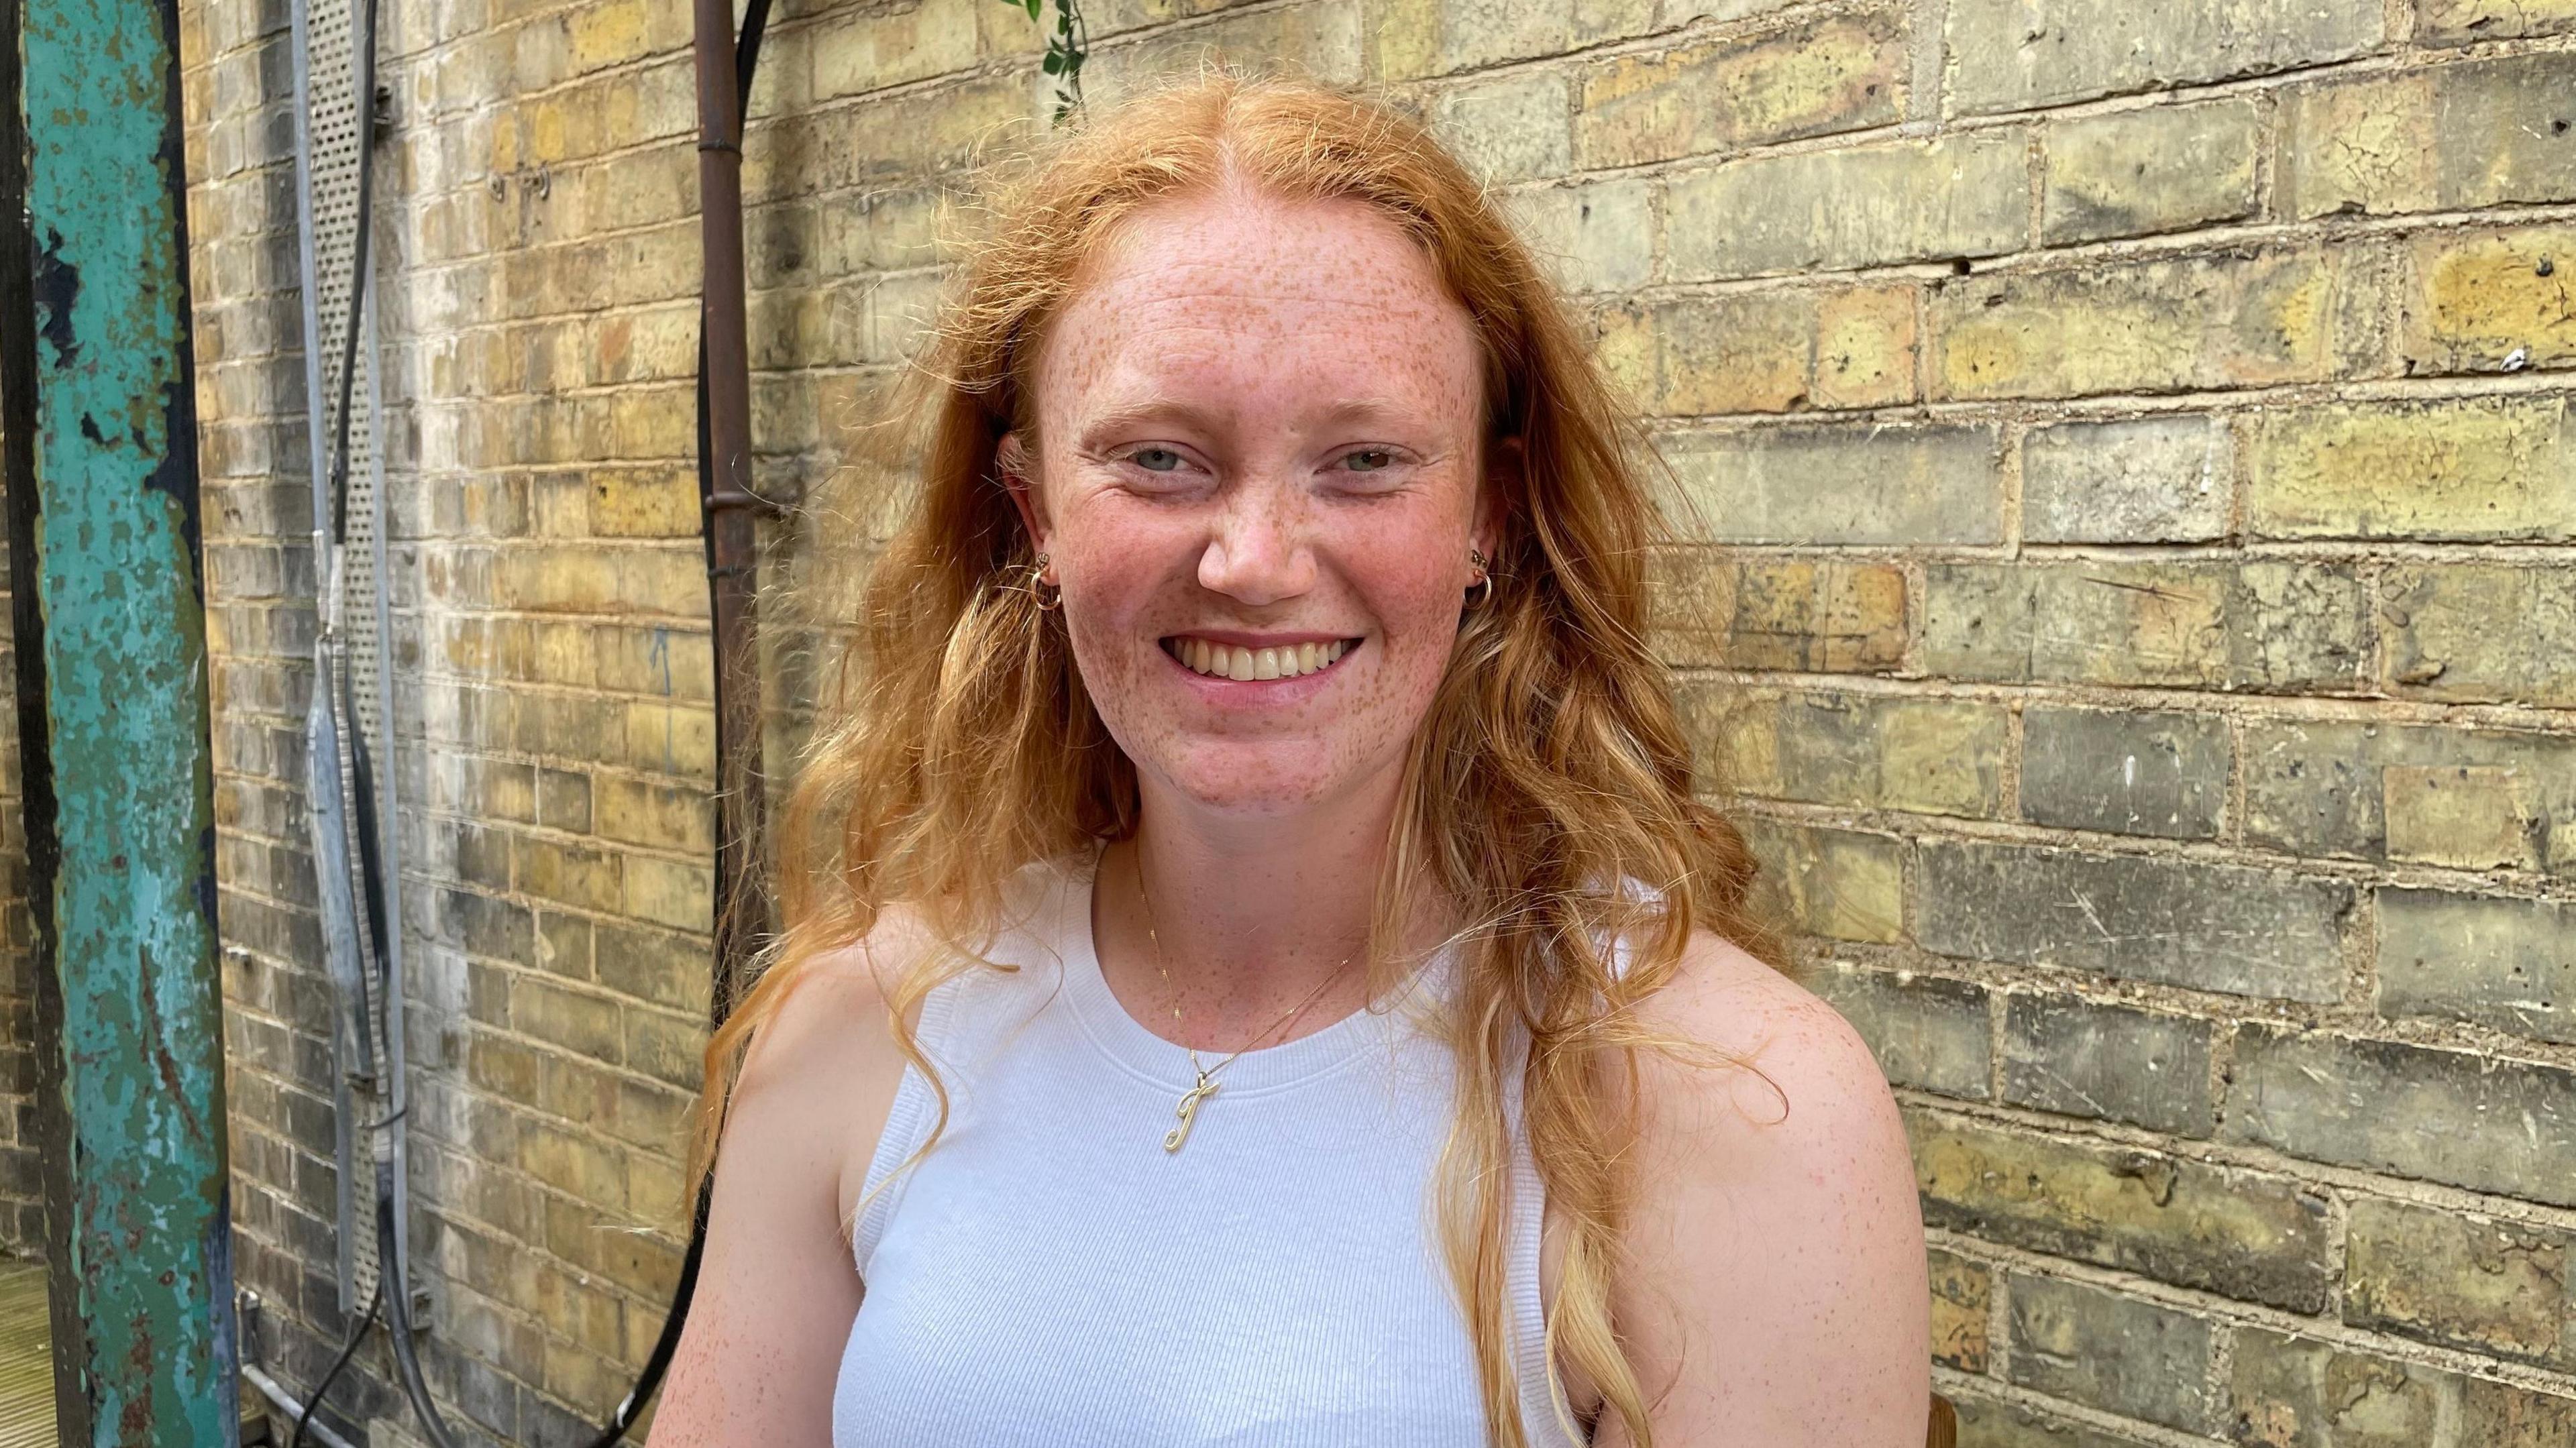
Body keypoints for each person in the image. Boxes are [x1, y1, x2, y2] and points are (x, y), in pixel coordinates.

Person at [648, 71, 1929, 1448]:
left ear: (1489, 515)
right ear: (1034, 517)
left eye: (1365, 460)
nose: (1252, 562)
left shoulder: (1736, 1104)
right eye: (1159, 459)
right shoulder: (858, 1038)